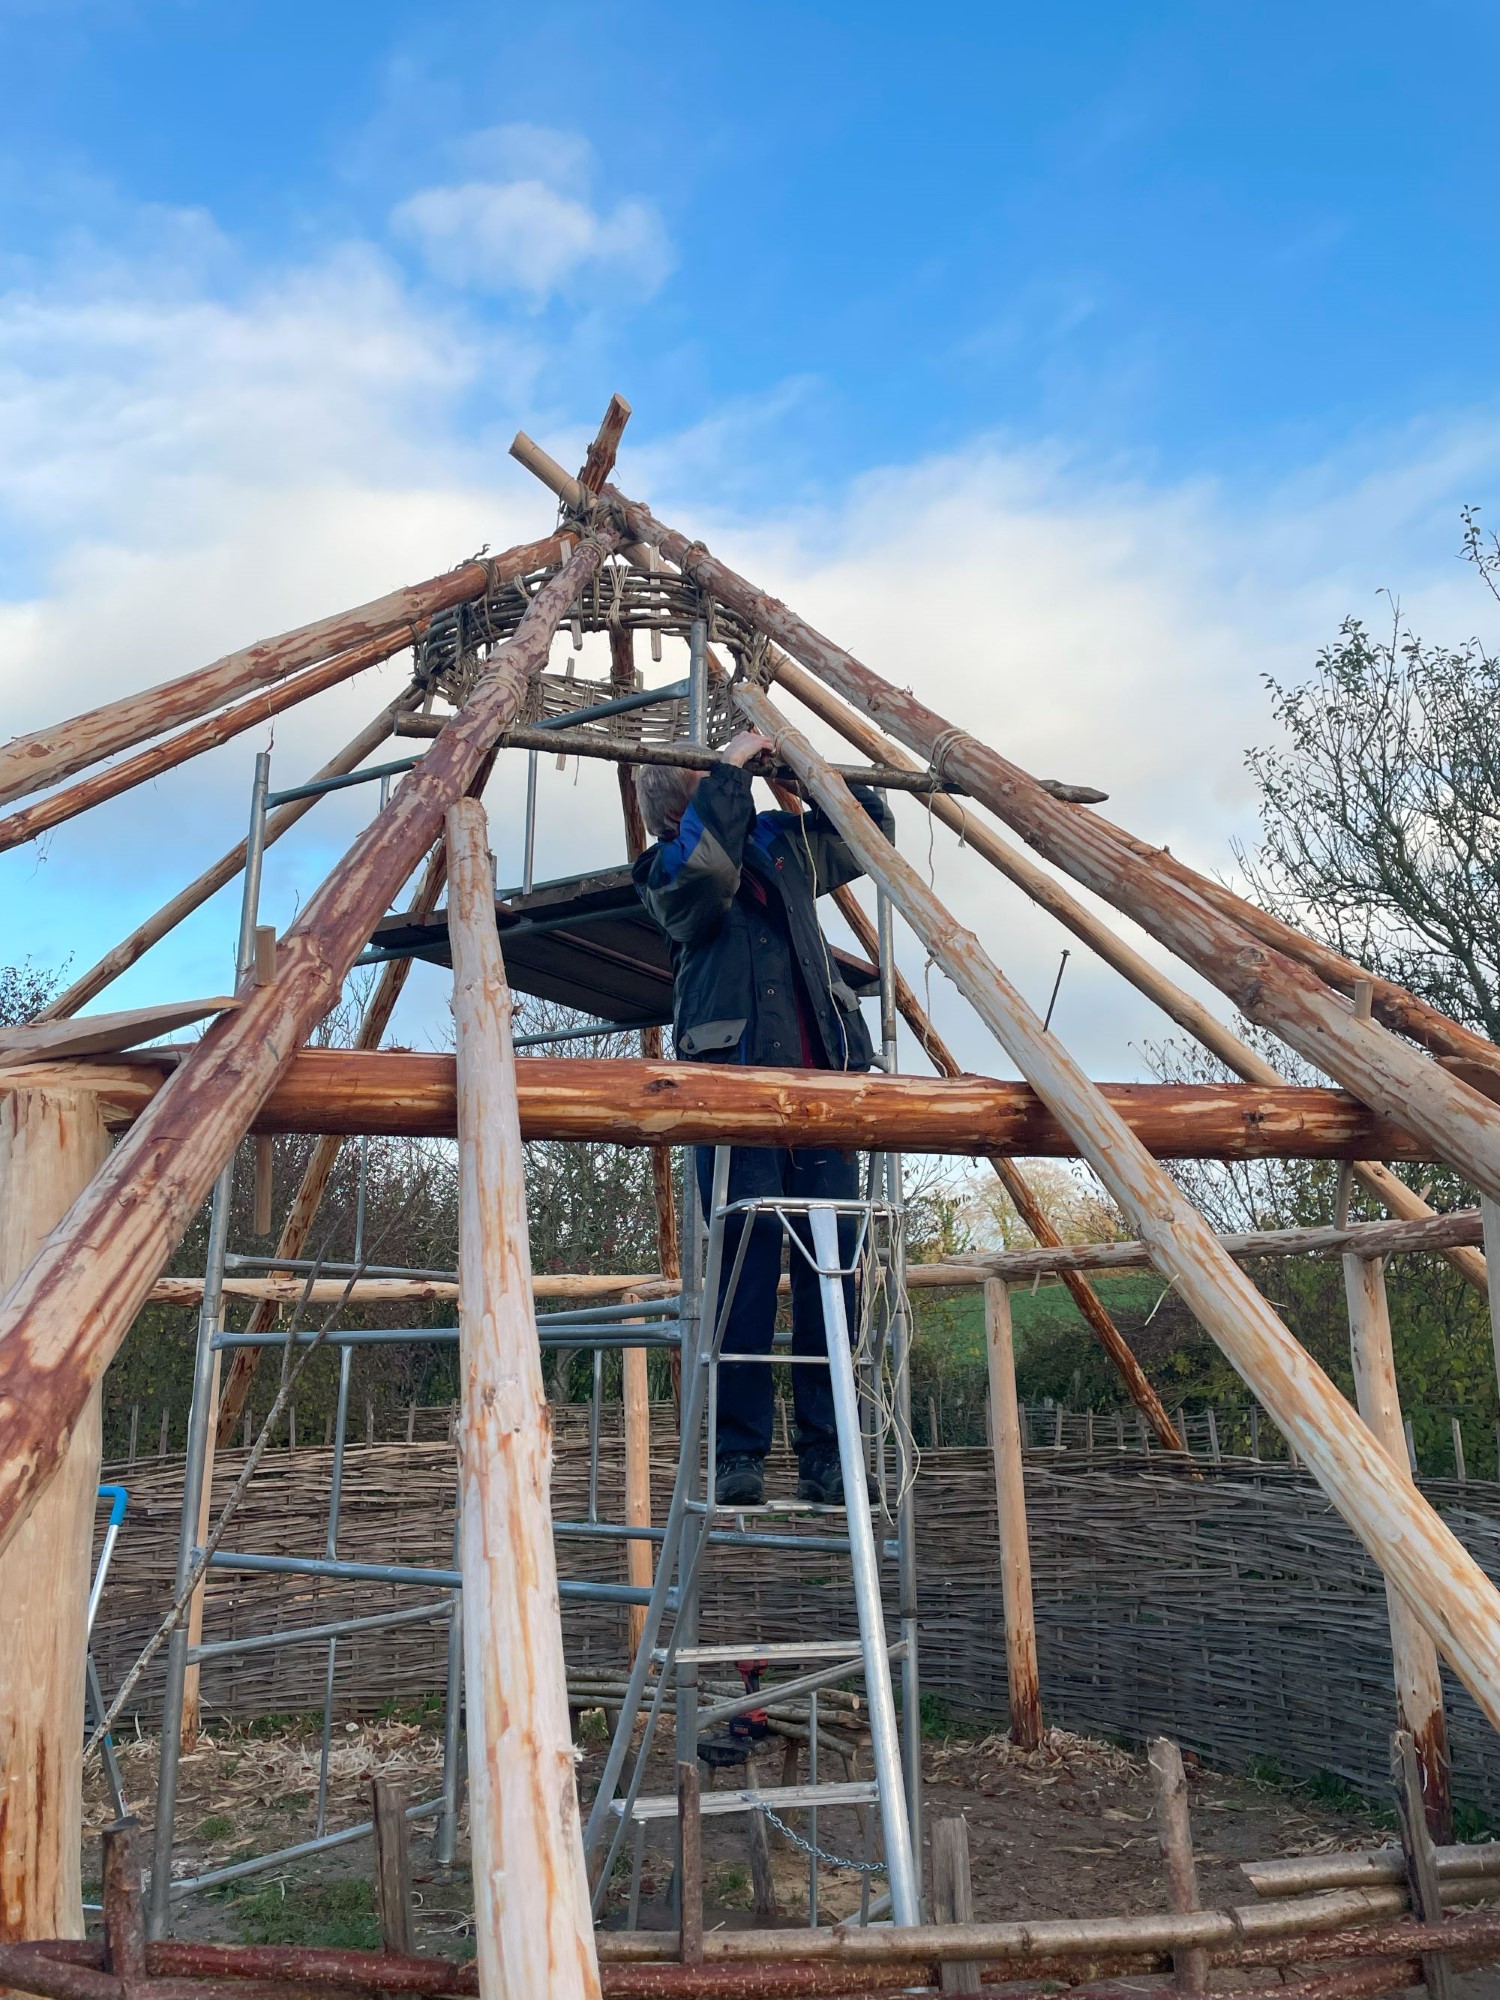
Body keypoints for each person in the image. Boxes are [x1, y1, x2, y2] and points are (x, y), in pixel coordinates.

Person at [632, 728, 895, 1507]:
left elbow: (869, 831)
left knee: (832, 1275)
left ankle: (829, 1452)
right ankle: (738, 1453)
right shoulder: (664, 871)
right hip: (735, 1094)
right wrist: (730, 772)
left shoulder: (780, 846)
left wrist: (808, 779)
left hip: (820, 1089)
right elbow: (706, 871)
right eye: (718, 782)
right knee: (746, 1272)